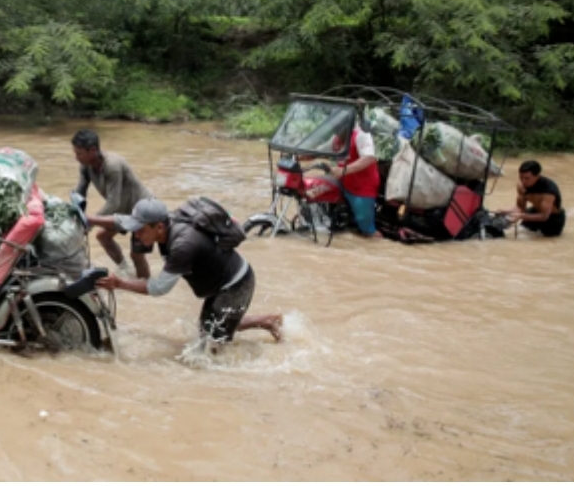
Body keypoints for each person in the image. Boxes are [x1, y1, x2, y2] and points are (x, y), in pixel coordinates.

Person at [95, 198, 283, 349]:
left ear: (158, 227)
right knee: (208, 329)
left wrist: (120, 283)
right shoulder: (166, 223)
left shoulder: (183, 245)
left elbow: (160, 287)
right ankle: (267, 321)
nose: (135, 235)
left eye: (140, 230)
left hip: (235, 284)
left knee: (213, 350)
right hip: (223, 283)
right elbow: (121, 221)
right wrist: (88, 219)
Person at [72, 129, 154, 281]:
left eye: (80, 153)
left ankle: (145, 286)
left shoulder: (112, 166)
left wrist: (90, 222)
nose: (76, 158)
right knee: (102, 236)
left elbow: (113, 202)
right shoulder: (85, 166)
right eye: (75, 153)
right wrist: (73, 213)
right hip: (123, 210)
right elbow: (80, 193)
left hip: (143, 210)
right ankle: (124, 268)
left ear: (93, 150)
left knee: (136, 254)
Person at [328, 112, 381, 238]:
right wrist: (299, 156)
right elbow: (320, 150)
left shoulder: (360, 135)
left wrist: (344, 170)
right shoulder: (337, 139)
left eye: (338, 128)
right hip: (343, 184)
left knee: (367, 230)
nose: (336, 132)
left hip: (362, 188)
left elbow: (369, 158)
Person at [499, 160, 566, 237]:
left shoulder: (548, 191)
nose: (523, 181)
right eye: (521, 177)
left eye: (527, 178)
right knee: (522, 232)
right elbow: (520, 207)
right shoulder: (521, 185)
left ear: (537, 176)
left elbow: (544, 217)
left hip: (552, 219)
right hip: (535, 211)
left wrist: (521, 216)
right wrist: (505, 211)